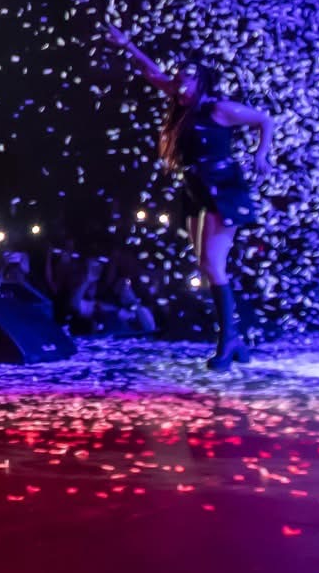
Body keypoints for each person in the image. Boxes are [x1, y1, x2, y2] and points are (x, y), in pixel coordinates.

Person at [105, 25, 276, 369]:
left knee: (213, 263)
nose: (180, 87)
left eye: (187, 82)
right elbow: (152, 72)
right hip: (196, 188)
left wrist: (262, 155)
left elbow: (264, 119)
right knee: (207, 265)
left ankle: (227, 342)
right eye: (178, 80)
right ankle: (235, 339)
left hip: (223, 188)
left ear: (201, 84)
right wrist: (128, 45)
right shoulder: (180, 98)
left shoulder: (218, 109)